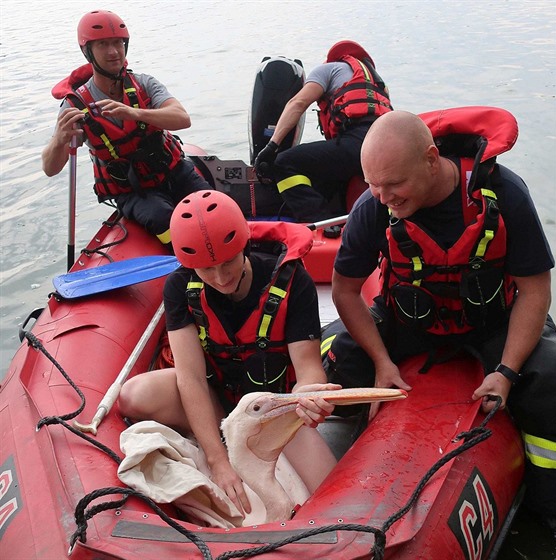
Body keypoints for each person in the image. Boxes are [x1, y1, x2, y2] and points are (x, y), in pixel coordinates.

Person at [325, 108, 556, 536]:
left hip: (492, 322)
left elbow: (536, 290)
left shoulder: (503, 192)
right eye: (374, 185)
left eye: (395, 184)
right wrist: (380, 361)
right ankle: (338, 485)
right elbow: (344, 290)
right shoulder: (372, 206)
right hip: (408, 324)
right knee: (339, 356)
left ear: (432, 159)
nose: (384, 197)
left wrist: (506, 372)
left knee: (552, 375)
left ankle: (548, 503)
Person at [119, 189, 340, 516]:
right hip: (217, 397)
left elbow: (308, 368)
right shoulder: (180, 288)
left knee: (332, 492)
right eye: (206, 269)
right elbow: (191, 378)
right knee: (134, 395)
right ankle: (211, 435)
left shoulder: (293, 281)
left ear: (244, 246)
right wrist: (218, 460)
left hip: (273, 408)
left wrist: (307, 396)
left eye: (228, 262)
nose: (220, 278)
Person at [42, 10, 210, 248]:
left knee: (213, 206)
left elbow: (182, 119)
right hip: (132, 190)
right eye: (103, 45)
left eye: (118, 43)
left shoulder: (144, 84)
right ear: (87, 51)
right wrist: (59, 140)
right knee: (163, 218)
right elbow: (50, 169)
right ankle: (187, 267)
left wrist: (135, 113)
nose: (113, 52)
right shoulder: (75, 106)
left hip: (174, 171)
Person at [254, 40, 392, 222]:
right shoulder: (379, 85)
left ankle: (320, 223)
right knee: (327, 174)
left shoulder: (328, 69)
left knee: (284, 163)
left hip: (358, 143)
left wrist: (272, 146)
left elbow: (297, 103)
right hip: (387, 146)